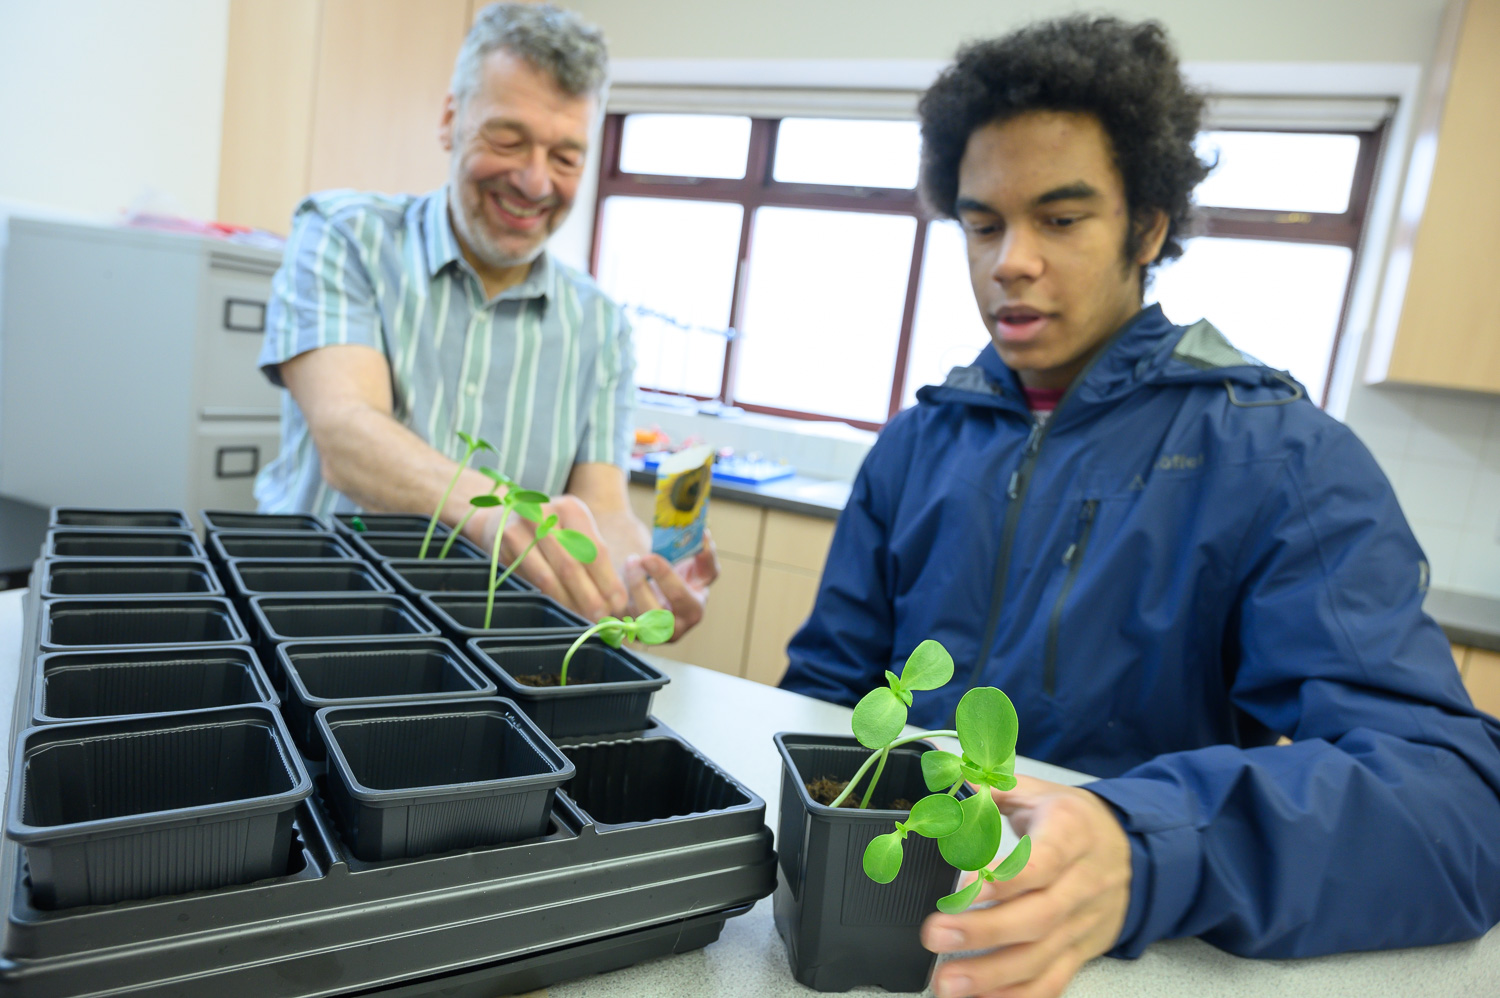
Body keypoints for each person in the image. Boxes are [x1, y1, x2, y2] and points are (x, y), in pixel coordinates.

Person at [778, 16, 1500, 998]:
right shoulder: (917, 442)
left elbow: (1457, 804)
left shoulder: (1278, 455)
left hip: (1119, 957)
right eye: (983, 223)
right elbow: (820, 695)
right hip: (870, 942)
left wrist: (1150, 842)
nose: (1010, 261)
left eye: (1062, 219)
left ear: (1149, 227)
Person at [253, 3, 715, 635]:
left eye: (566, 156)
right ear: (451, 119)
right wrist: (494, 511)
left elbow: (602, 504)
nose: (533, 180)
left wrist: (642, 574)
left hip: (488, 653)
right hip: (306, 624)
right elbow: (347, 438)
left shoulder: (601, 326)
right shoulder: (344, 235)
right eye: (508, 138)